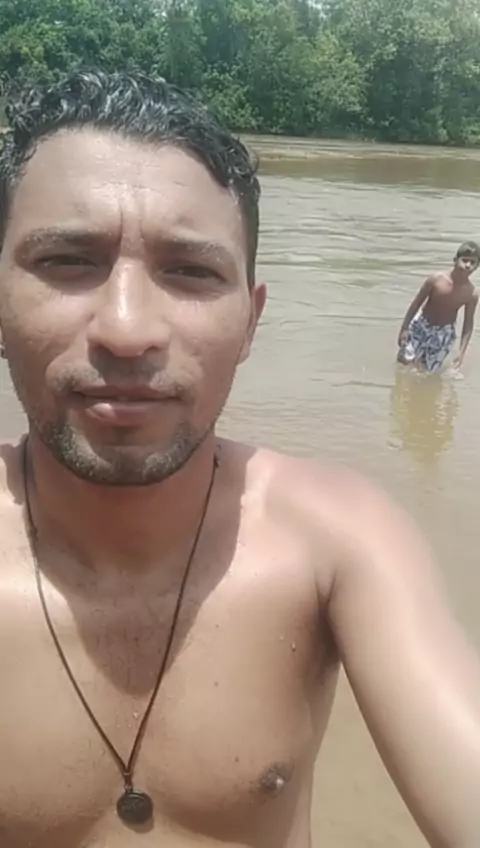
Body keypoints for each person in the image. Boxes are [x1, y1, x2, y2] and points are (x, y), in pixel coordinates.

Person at [1, 71, 480, 848]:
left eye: (191, 271)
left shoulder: (337, 539)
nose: (127, 330)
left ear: (251, 325)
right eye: (66, 260)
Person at [397, 241, 480, 373]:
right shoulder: (436, 279)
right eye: (465, 260)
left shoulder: (471, 293)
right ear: (455, 260)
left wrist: (461, 352)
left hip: (444, 332)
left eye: (472, 262)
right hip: (422, 323)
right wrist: (404, 328)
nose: (468, 265)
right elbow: (416, 303)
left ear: (477, 266)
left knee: (427, 372)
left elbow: (468, 325)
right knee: (404, 362)